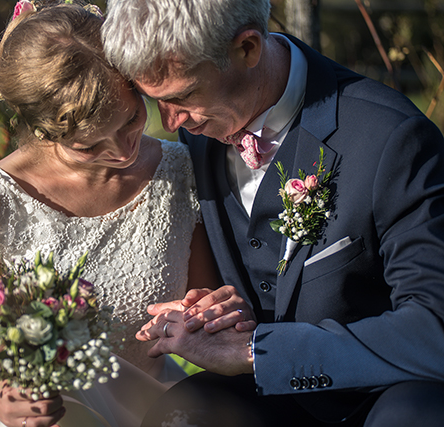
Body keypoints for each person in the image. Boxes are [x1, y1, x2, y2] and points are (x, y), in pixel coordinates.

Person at [101, 0, 444, 426]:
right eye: (157, 102)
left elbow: (434, 328)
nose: (169, 123)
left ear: (247, 48)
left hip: (385, 398)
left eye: (183, 96)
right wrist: (218, 313)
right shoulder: (201, 134)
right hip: (268, 399)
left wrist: (256, 351)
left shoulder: (390, 138)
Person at [0, 2, 253, 427]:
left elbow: (202, 309)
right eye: (90, 145)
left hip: (139, 404)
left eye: (131, 119)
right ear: (42, 130)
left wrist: (208, 317)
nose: (122, 150)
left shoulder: (179, 173)